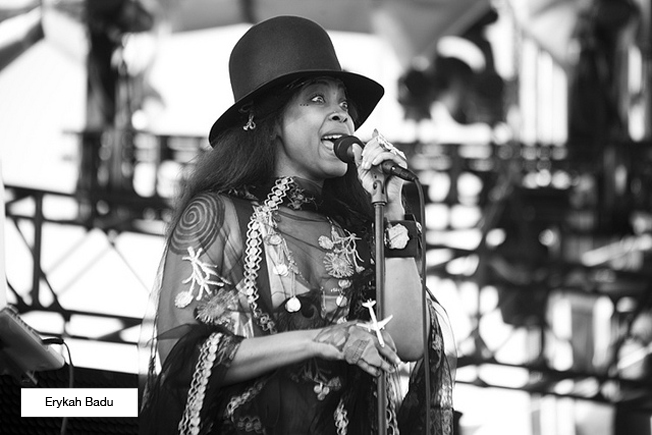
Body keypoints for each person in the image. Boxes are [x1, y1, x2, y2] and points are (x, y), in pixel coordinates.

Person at [140, 15, 454, 435]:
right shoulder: (217, 215)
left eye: (344, 103)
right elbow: (180, 359)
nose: (342, 115)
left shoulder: (365, 230)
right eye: (317, 99)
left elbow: (408, 342)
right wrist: (321, 340)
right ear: (269, 121)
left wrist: (395, 214)